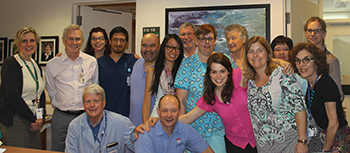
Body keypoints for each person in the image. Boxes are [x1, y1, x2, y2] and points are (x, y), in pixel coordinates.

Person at [179, 53, 257, 153]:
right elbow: (187, 118)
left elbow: (260, 66)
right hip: (236, 145)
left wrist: (279, 61)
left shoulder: (238, 76)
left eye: (222, 71)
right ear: (209, 74)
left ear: (229, 71)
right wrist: (160, 120)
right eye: (214, 72)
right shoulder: (210, 97)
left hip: (258, 138)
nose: (218, 76)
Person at [243, 36, 308, 153]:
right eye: (251, 51)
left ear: (268, 54)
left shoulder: (283, 74)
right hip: (265, 148)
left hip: (291, 144)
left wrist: (302, 141)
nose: (255, 55)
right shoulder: (250, 82)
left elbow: (299, 107)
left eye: (260, 50)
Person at [46, 24, 99, 152]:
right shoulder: (53, 64)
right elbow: (51, 91)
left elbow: (94, 89)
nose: (74, 42)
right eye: (71, 39)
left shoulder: (91, 61)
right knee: (58, 149)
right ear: (63, 40)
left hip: (85, 116)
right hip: (61, 117)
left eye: (78, 39)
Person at [174, 24, 225, 153]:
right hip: (194, 128)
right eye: (202, 39)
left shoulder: (225, 61)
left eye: (210, 39)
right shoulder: (187, 66)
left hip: (218, 128)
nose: (206, 42)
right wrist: (183, 129)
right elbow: (181, 100)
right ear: (196, 41)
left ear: (215, 40)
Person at [290, 42, 350, 152]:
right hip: (322, 136)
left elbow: (334, 123)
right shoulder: (311, 84)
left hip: (336, 139)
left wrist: (325, 149)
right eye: (298, 60)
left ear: (317, 62)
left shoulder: (326, 84)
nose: (301, 65)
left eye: (306, 60)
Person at [0, 27, 46, 149]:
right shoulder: (11, 63)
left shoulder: (35, 64)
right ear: (18, 43)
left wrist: (40, 118)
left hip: (33, 119)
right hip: (16, 119)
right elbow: (13, 97)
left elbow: (40, 93)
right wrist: (32, 119)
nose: (29, 44)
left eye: (32, 40)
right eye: (24, 41)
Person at [65, 84, 135, 153]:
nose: (92, 105)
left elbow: (138, 146)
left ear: (103, 103)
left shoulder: (121, 122)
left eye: (96, 101)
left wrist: (140, 134)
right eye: (88, 101)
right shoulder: (74, 126)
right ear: (83, 104)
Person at [135, 94, 214, 153]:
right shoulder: (146, 134)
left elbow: (207, 151)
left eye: (173, 110)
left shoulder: (185, 129)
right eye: (165, 110)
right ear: (158, 112)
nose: (169, 115)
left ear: (180, 112)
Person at [142, 34, 184, 123]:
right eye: (169, 47)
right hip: (156, 119)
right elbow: (147, 104)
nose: (173, 51)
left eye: (177, 48)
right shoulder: (153, 72)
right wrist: (146, 125)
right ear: (163, 48)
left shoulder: (183, 73)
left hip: (177, 119)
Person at [98, 26, 138, 117]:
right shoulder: (100, 63)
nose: (118, 43)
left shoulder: (133, 60)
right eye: (115, 39)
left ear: (127, 43)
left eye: (122, 40)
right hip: (105, 114)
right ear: (110, 41)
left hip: (127, 114)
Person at [304, 17, 344, 102]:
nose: (312, 34)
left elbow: (337, 93)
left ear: (324, 34)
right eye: (310, 30)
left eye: (317, 31)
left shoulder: (331, 60)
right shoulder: (301, 58)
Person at [129, 33, 160, 127]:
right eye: (144, 46)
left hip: (153, 126)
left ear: (159, 47)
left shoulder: (163, 70)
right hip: (134, 125)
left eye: (152, 46)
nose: (148, 49)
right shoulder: (137, 64)